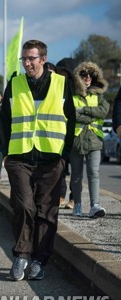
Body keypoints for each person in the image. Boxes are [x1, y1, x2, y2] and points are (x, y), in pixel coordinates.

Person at [0, 40, 75, 281]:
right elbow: (4, 120)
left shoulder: (62, 84)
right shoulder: (14, 84)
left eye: (31, 58)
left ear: (43, 59)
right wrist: (6, 152)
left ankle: (40, 260)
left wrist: (64, 156)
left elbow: (70, 120)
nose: (27, 63)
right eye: (24, 59)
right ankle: (22, 254)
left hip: (51, 158)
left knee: (47, 211)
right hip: (20, 156)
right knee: (24, 206)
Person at [69, 62, 109, 218]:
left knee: (94, 172)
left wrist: (85, 110)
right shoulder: (72, 95)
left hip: (94, 139)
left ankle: (95, 205)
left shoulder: (99, 95)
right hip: (76, 139)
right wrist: (90, 118)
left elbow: (103, 111)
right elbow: (72, 114)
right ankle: (77, 204)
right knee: (76, 175)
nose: (87, 78)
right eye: (84, 75)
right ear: (79, 77)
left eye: (90, 75)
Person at [54, 58, 78, 209]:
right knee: (60, 169)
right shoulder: (55, 87)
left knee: (76, 171)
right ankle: (61, 196)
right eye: (59, 72)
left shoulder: (78, 89)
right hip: (59, 134)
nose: (62, 75)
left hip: (77, 135)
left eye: (65, 73)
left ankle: (74, 199)